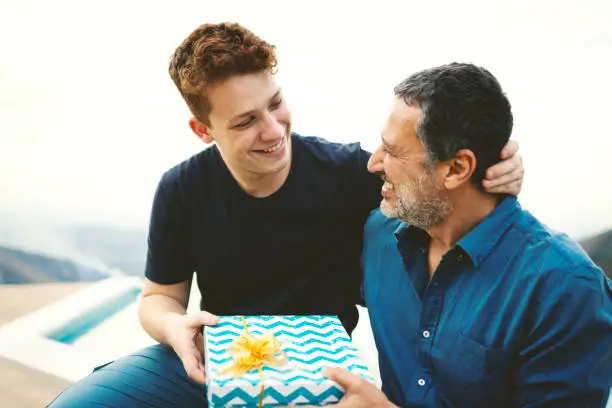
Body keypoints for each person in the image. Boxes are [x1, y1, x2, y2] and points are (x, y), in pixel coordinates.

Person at [46, 24, 524, 407]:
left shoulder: (347, 173)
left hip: (322, 376)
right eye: (245, 120)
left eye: (275, 104)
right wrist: (173, 327)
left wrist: (499, 165)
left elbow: (437, 188)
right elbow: (158, 298)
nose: (274, 130)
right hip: (215, 364)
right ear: (202, 129)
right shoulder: (182, 188)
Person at [316, 63, 612, 408]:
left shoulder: (566, 289)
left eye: (393, 151)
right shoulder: (380, 234)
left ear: (456, 169)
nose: (374, 163)